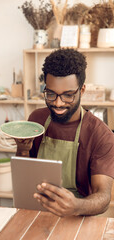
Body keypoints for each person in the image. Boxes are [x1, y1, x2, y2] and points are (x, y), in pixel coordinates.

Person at [16, 48, 114, 217]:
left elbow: (103, 197)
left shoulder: (100, 135)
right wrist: (23, 150)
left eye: (68, 95)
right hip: (37, 211)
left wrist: (76, 206)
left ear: (82, 91)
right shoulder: (37, 119)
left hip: (78, 216)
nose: (58, 103)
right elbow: (24, 176)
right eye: (51, 94)